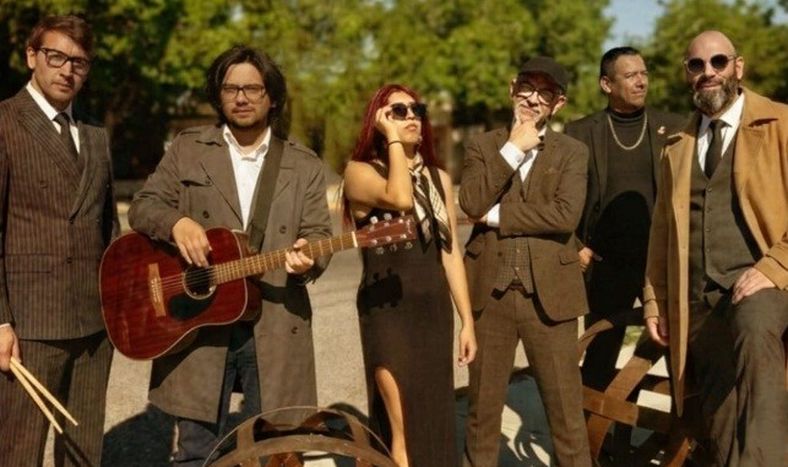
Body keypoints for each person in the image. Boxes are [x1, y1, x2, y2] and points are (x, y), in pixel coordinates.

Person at [127, 45, 332, 466]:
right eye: (230, 88)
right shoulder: (188, 148)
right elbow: (144, 205)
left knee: (274, 449)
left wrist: (308, 259)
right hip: (201, 323)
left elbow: (317, 234)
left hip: (274, 321)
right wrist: (176, 224)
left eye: (252, 89)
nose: (241, 97)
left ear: (272, 97)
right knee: (197, 451)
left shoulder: (303, 164)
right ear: (218, 96)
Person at [644, 30, 788, 466]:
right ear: (687, 75)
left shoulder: (781, 123)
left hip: (766, 285)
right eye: (697, 65)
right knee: (720, 417)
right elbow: (662, 233)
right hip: (699, 300)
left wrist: (775, 264)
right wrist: (656, 301)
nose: (708, 73)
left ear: (737, 68)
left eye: (718, 62)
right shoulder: (677, 145)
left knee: (755, 332)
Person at [460, 57, 592, 467]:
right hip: (490, 297)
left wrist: (495, 218)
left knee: (567, 417)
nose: (532, 99)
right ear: (511, 89)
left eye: (545, 93)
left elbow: (565, 216)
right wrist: (514, 148)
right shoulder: (482, 147)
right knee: (482, 415)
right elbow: (470, 202)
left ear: (559, 104)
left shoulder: (573, 152)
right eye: (526, 88)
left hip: (551, 299)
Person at [0, 15, 119, 466]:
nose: (67, 70)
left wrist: (120, 306)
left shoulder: (95, 134)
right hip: (30, 328)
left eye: (80, 63)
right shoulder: (5, 123)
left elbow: (109, 229)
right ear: (32, 57)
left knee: (84, 452)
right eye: (56, 57)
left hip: (94, 324)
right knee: (18, 452)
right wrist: (0, 323)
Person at [343, 83, 477, 467]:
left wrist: (467, 321)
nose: (412, 117)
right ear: (379, 121)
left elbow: (450, 253)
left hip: (433, 312)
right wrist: (393, 143)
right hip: (387, 313)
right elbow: (400, 197)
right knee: (402, 433)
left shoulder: (439, 179)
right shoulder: (359, 172)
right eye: (397, 111)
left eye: (416, 109)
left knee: (434, 418)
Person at [565, 46, 685, 392]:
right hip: (605, 265)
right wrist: (577, 246)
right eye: (631, 75)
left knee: (675, 350)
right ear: (606, 84)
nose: (641, 81)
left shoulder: (675, 128)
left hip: (661, 263)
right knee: (600, 352)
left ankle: (680, 437)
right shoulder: (580, 133)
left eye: (644, 73)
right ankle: (593, 442)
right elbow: (562, 196)